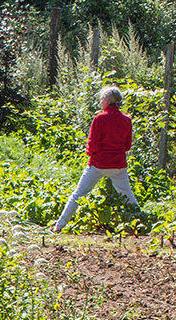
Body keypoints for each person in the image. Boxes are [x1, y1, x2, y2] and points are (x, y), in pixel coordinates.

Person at [52, 85, 146, 232]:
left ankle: (59, 226)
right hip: (119, 165)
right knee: (128, 196)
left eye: (102, 99)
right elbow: (127, 146)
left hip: (99, 164)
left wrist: (90, 153)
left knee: (78, 194)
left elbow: (92, 144)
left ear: (107, 101)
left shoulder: (100, 118)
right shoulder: (127, 120)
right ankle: (142, 224)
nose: (101, 102)